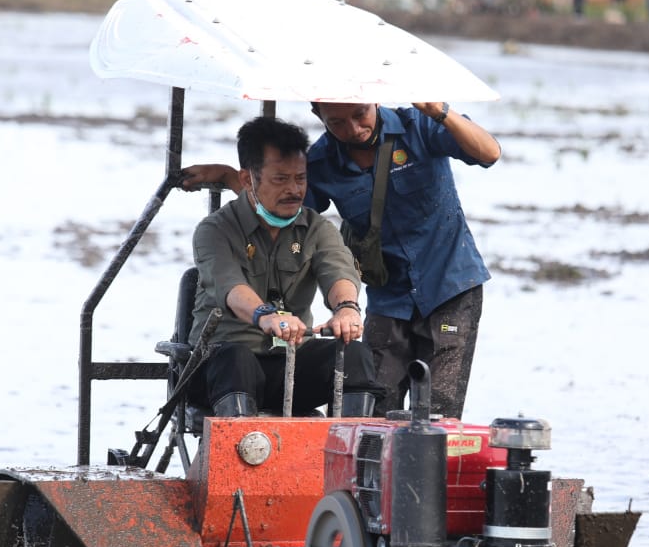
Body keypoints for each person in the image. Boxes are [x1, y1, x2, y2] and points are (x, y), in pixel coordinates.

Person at [182, 102, 501, 420]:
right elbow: (272, 208)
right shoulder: (319, 163)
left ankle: (424, 466)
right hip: (389, 294)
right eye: (337, 121)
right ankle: (354, 465)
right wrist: (228, 177)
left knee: (436, 408)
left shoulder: (419, 125)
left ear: (374, 101)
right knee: (379, 402)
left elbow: (489, 153)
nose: (353, 129)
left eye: (360, 114)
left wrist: (346, 308)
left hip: (448, 282)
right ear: (318, 116)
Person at [187, 116, 382, 418]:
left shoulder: (317, 228)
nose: (294, 189)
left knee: (353, 354)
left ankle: (355, 455)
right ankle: (242, 454)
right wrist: (265, 315)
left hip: (289, 364)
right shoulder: (214, 230)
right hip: (221, 368)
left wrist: (346, 308)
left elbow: (339, 270)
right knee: (236, 358)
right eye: (280, 179)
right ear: (247, 179)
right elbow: (230, 286)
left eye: (300, 178)